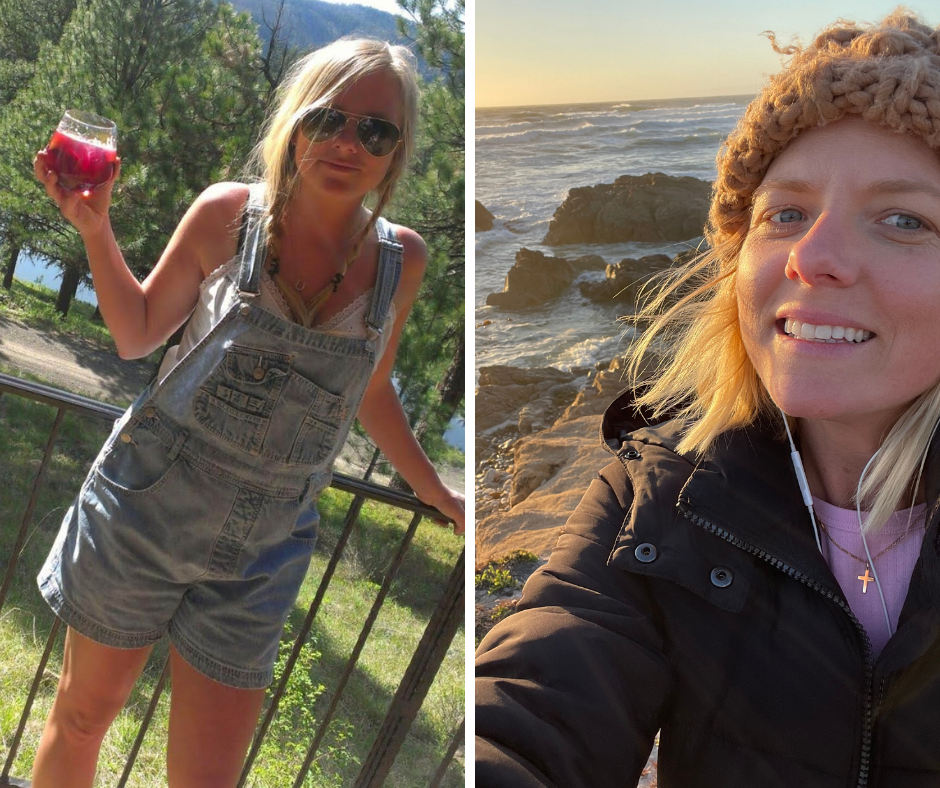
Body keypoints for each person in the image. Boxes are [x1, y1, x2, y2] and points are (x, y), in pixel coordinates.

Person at [475, 10, 940, 787]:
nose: (813, 256)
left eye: (903, 219)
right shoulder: (658, 494)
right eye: (784, 213)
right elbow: (531, 708)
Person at [31, 38, 464, 788]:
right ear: (296, 124)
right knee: (79, 720)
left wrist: (435, 489)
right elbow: (137, 333)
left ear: (396, 153)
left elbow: (371, 387)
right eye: (328, 118)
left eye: (376, 130)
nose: (346, 143)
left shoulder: (403, 262)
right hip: (142, 512)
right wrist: (96, 231)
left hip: (262, 551)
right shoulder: (228, 215)